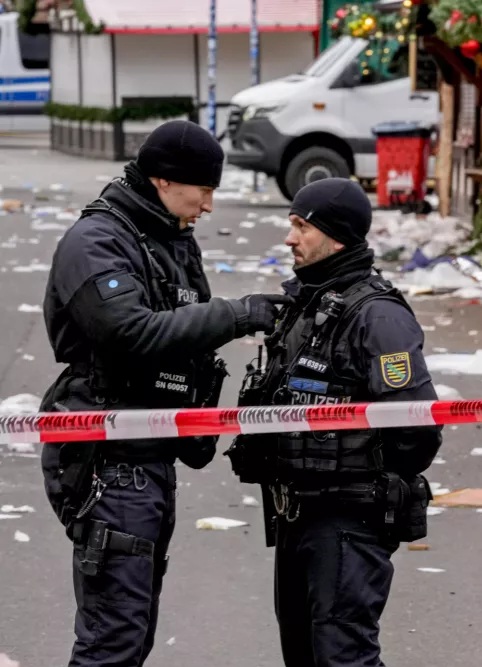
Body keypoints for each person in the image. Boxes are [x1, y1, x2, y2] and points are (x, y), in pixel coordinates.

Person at [39, 119, 293, 667]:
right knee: (113, 638)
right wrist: (236, 314)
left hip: (148, 456)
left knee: (134, 632)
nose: (207, 205)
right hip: (109, 457)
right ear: (162, 180)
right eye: (202, 189)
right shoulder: (97, 241)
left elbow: (181, 331)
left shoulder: (169, 241)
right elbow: (128, 332)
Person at [224, 177, 443, 667]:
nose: (290, 238)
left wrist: (362, 472)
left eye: (302, 226)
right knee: (304, 655)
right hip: (298, 514)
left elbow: (417, 429)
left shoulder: (378, 315)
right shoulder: (310, 305)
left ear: (336, 234)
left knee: (343, 657)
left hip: (348, 517)